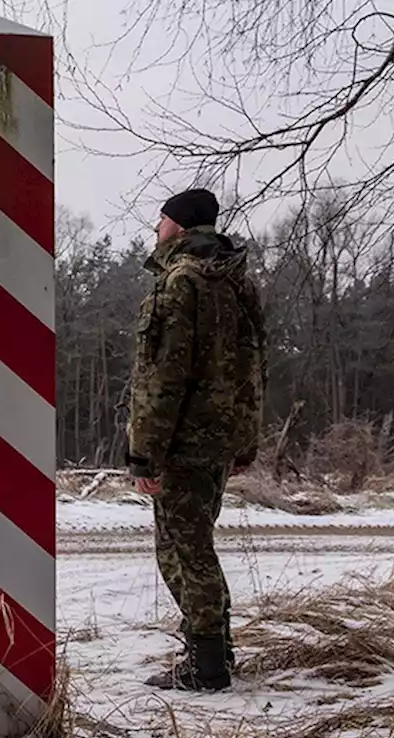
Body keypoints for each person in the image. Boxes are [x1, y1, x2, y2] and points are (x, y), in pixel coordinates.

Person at [125, 188, 267, 691]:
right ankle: (214, 651)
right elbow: (252, 371)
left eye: (161, 220)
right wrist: (244, 439)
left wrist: (144, 453)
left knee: (186, 552)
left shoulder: (179, 284)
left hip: (184, 444)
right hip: (220, 442)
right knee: (194, 545)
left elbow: (161, 378)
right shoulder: (237, 284)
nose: (156, 229)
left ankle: (207, 665)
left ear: (180, 227)